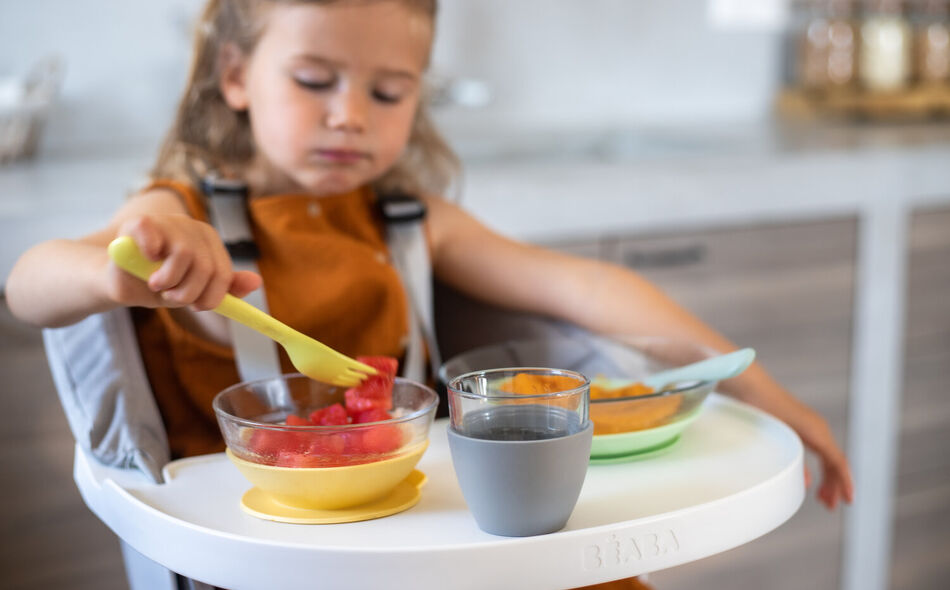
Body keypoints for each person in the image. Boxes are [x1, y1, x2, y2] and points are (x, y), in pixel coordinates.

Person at [5, 0, 853, 587]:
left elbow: (594, 287)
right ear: (235, 75)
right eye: (313, 81)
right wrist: (110, 273)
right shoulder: (176, 211)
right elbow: (26, 285)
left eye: (387, 92)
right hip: (265, 556)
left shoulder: (410, 222)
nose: (350, 116)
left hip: (425, 535)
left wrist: (768, 394)